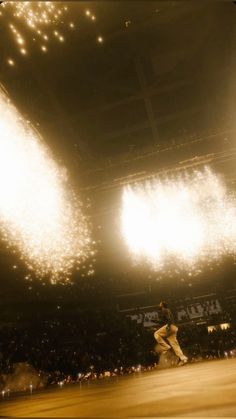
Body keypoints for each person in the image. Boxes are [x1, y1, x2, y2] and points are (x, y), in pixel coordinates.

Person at [154, 301, 188, 366]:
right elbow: (164, 321)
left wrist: (168, 326)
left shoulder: (165, 310)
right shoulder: (167, 310)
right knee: (175, 346)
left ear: (162, 305)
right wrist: (156, 321)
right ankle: (183, 359)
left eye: (160, 304)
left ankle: (166, 347)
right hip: (174, 328)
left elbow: (169, 319)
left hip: (170, 327)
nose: (159, 305)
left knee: (156, 334)